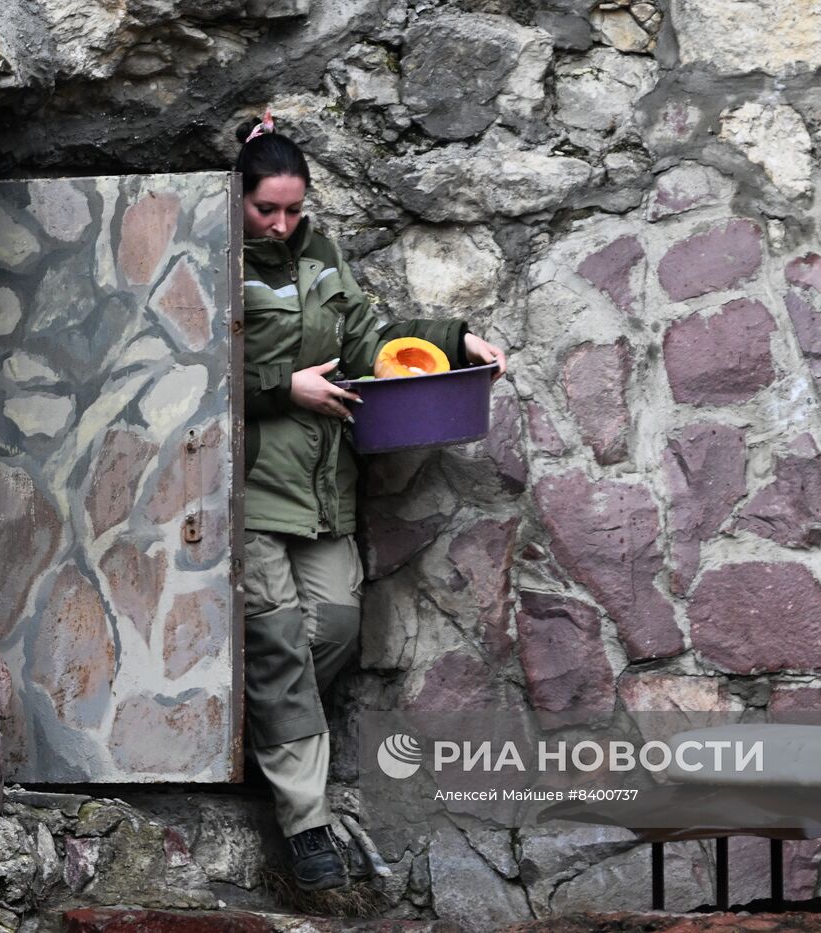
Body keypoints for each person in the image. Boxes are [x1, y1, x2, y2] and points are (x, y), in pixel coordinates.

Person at [234, 110, 507, 892]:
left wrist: (456, 340)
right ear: (239, 199)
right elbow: (187, 362)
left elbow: (367, 341)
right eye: (267, 209)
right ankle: (306, 821)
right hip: (249, 487)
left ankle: (277, 744)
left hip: (325, 486)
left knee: (339, 624)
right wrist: (282, 388)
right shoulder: (209, 255)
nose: (283, 223)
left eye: (294, 207)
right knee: (279, 638)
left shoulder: (320, 255)